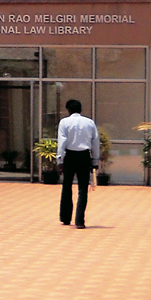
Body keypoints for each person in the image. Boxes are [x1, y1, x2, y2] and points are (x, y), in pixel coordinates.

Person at [56, 98, 100, 229]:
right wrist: (95, 160)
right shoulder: (90, 123)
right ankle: (80, 220)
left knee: (67, 186)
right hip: (84, 156)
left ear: (68, 110)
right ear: (80, 109)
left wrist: (60, 160)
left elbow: (62, 141)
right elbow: (95, 142)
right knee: (83, 188)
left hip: (69, 156)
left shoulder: (64, 122)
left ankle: (65, 217)